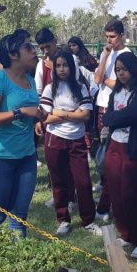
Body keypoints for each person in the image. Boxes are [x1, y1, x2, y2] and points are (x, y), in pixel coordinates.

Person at [0, 32, 47, 237]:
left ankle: (20, 264)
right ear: (13, 54)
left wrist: (39, 116)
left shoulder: (30, 80)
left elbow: (30, 110)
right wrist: (21, 112)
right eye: (28, 47)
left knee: (19, 216)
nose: (34, 50)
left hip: (26, 157)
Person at [38, 50, 100, 236]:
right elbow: (46, 118)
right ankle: (63, 219)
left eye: (65, 65)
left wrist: (61, 113)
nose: (62, 69)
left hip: (77, 141)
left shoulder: (81, 87)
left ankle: (88, 220)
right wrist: (73, 114)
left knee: (83, 181)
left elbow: (86, 115)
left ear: (72, 67)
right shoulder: (50, 88)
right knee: (59, 182)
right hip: (54, 139)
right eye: (58, 66)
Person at [101, 51, 137, 259]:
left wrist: (114, 118)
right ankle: (126, 233)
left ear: (134, 69)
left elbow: (134, 113)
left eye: (124, 69)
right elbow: (107, 116)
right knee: (115, 191)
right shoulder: (117, 91)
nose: (121, 74)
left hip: (132, 147)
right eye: (118, 70)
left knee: (130, 194)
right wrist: (115, 118)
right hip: (114, 144)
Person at [93, 19, 132, 221]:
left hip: (117, 106)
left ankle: (107, 201)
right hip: (101, 105)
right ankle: (104, 184)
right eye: (107, 37)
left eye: (113, 37)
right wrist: (105, 56)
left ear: (121, 35)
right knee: (103, 149)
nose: (109, 40)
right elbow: (97, 77)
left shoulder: (127, 55)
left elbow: (119, 83)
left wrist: (103, 79)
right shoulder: (106, 53)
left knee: (112, 153)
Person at [34, 28, 60, 94]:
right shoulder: (41, 65)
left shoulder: (71, 59)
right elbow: (39, 91)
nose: (46, 51)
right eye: (42, 48)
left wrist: (54, 69)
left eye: (48, 46)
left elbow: (75, 82)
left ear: (55, 41)